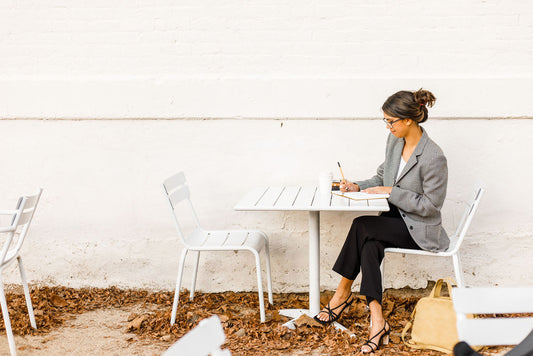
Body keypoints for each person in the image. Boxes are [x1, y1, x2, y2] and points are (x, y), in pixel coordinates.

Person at [313, 89, 449, 354]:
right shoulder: (394, 140)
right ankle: (378, 321)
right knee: (369, 245)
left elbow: (431, 206)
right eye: (385, 121)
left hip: (419, 229)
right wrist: (357, 186)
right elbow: (382, 178)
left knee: (362, 226)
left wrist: (391, 192)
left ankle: (341, 295)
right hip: (392, 219)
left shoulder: (434, 157)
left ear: (409, 119)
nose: (387, 126)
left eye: (391, 121)